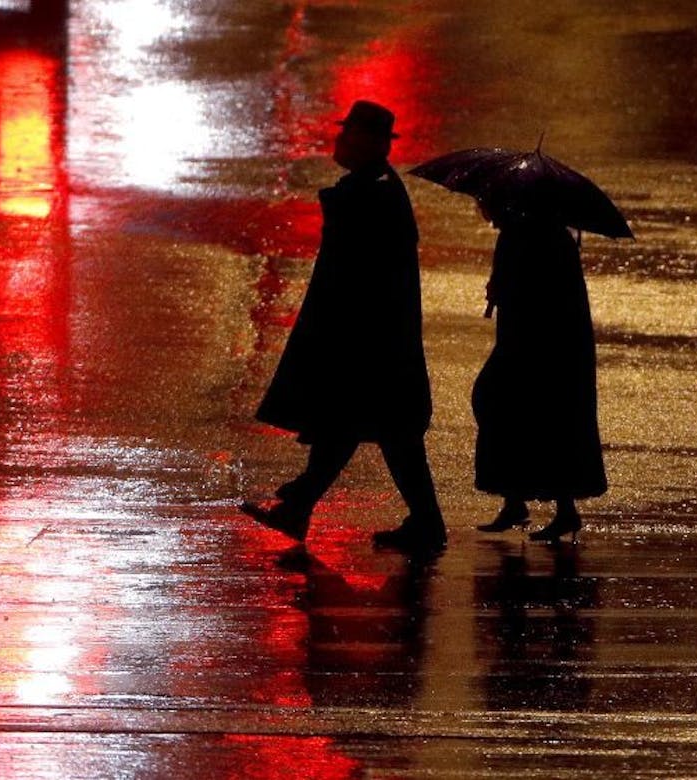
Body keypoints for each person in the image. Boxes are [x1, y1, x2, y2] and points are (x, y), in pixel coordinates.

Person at [241, 100, 446, 553]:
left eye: (349, 135)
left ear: (371, 144)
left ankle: (304, 501)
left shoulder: (374, 194)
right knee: (374, 429)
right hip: (373, 338)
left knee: (362, 426)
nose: (339, 141)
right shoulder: (373, 190)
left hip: (371, 339)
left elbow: (359, 274)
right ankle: (310, 503)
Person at [471, 196, 607, 541]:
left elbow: (539, 294)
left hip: (539, 346)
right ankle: (523, 502)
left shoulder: (532, 236)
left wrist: (503, 287)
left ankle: (548, 506)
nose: (483, 210)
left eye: (485, 204)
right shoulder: (532, 234)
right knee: (528, 416)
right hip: (538, 344)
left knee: (522, 411)